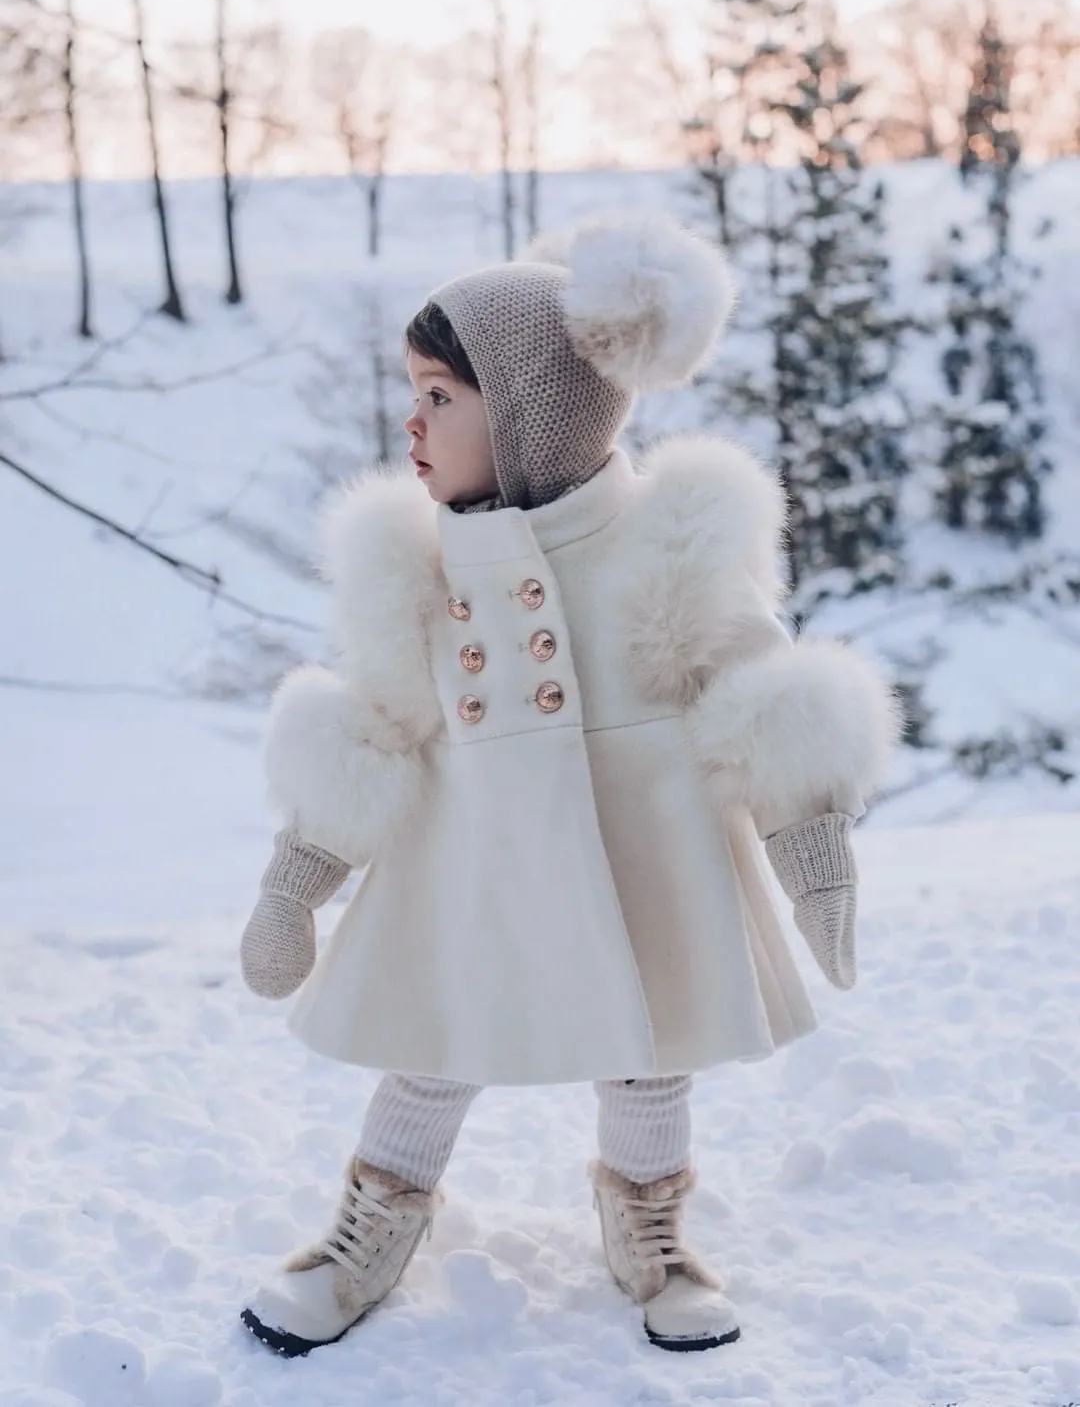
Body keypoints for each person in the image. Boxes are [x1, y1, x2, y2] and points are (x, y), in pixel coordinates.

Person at [238, 215, 899, 1358]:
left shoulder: (668, 551)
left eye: (443, 394)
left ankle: (649, 1223)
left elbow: (762, 698)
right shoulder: (421, 572)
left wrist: (814, 855)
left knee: (648, 1037)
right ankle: (374, 1223)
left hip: (638, 843)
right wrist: (300, 878)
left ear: (533, 405)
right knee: (435, 1032)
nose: (413, 419)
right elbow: (377, 728)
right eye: (416, 392)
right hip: (471, 853)